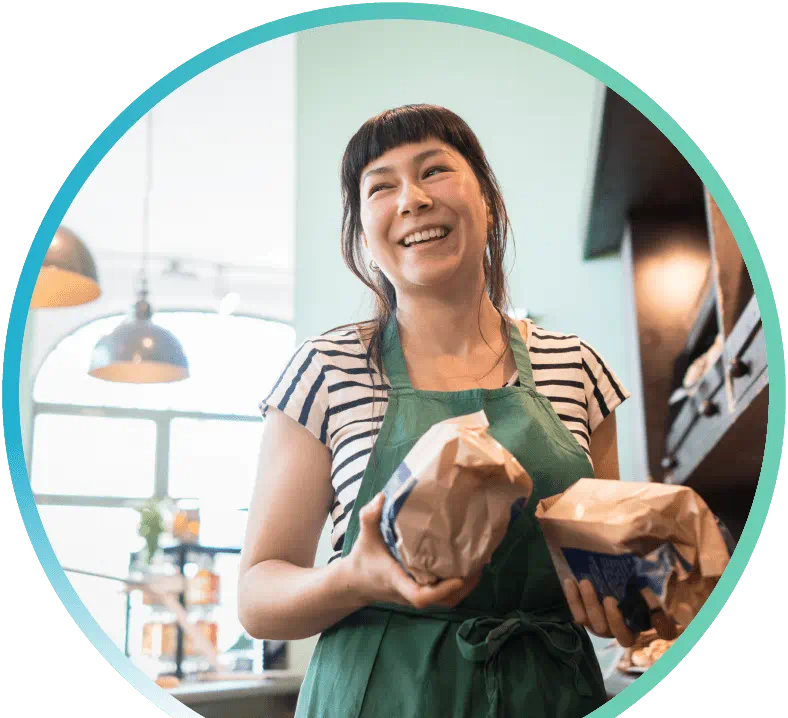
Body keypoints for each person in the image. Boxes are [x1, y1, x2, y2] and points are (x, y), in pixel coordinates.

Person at [239, 104, 633, 717]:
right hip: (379, 697)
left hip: (552, 694)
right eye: (381, 186)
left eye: (435, 171)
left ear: (490, 204)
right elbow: (258, 595)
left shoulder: (576, 367)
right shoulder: (326, 369)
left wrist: (628, 599)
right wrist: (356, 579)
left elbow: (610, 569)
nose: (412, 199)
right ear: (363, 233)